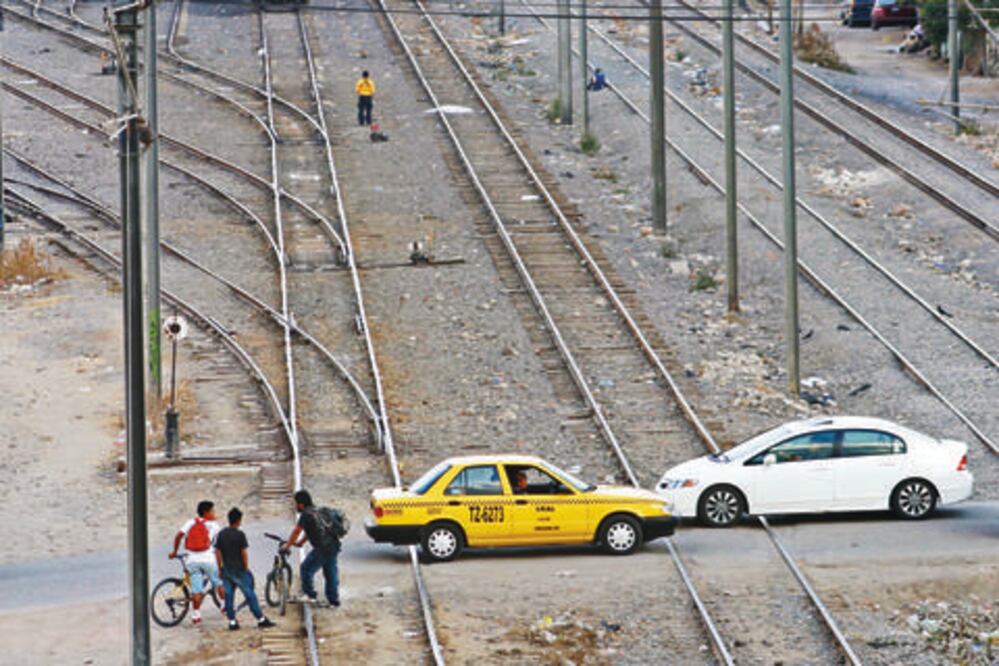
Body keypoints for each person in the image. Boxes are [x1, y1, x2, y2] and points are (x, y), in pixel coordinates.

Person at [215, 507, 275, 631]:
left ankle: (232, 621)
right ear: (238, 521)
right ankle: (261, 619)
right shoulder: (240, 535)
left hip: (226, 570)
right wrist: (246, 568)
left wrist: (220, 568)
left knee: (229, 596)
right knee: (249, 594)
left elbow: (217, 552)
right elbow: (244, 553)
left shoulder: (221, 534)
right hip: (239, 570)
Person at [280, 490, 341, 607]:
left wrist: (287, 545)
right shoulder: (316, 511)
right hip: (333, 545)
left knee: (306, 568)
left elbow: (296, 531)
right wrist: (301, 542)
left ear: (301, 504)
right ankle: (333, 600)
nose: (295, 506)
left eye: (296, 503)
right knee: (330, 572)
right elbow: (312, 530)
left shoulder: (306, 515)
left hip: (322, 548)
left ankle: (309, 594)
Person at [169, 500, 224, 625]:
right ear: (206, 512)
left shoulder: (190, 522)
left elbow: (178, 536)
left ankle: (196, 615)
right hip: (208, 559)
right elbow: (219, 546)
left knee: (196, 589)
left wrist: (174, 551)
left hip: (192, 560)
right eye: (212, 511)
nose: (214, 513)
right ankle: (225, 606)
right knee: (219, 582)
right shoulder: (215, 526)